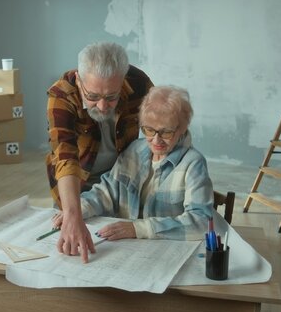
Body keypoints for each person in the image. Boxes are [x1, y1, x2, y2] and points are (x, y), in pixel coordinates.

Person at [53, 85, 214, 244]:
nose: (156, 140)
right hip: (128, 249)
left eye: (166, 132)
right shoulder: (135, 149)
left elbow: (201, 223)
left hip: (165, 250)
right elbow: (107, 191)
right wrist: (78, 210)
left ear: (183, 128)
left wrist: (137, 229)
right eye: (149, 130)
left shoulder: (193, 163)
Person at [45, 42, 154, 263]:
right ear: (78, 79)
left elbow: (162, 125)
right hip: (76, 181)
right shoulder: (62, 94)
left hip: (119, 179)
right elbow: (65, 157)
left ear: (122, 81)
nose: (103, 107)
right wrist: (73, 215)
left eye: (112, 97)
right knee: (69, 248)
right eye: (93, 96)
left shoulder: (139, 83)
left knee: (123, 252)